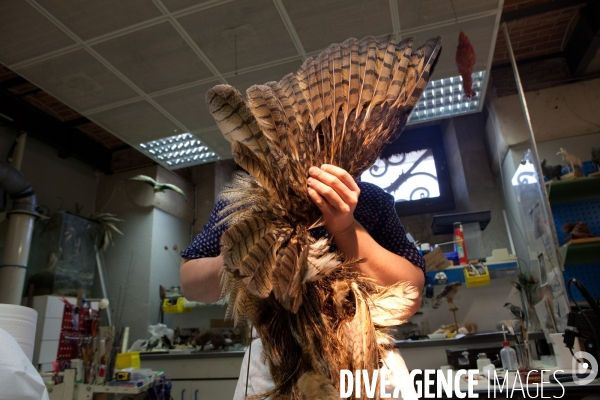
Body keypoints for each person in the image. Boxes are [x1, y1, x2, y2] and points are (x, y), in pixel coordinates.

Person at [180, 164, 425, 399]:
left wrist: (346, 227)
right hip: (274, 364)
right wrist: (243, 248)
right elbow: (190, 284)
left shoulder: (368, 198)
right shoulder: (243, 199)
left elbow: (409, 296)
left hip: (366, 358)